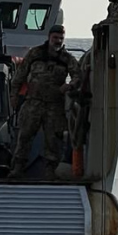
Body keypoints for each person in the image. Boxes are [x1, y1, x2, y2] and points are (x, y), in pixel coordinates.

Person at [9, 24, 82, 179]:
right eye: (55, 38)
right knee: (25, 135)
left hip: (54, 105)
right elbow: (19, 76)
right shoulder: (34, 54)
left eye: (61, 38)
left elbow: (77, 75)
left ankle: (50, 171)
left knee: (53, 139)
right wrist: (14, 95)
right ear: (49, 38)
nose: (58, 41)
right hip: (33, 102)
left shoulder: (67, 58)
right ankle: (18, 168)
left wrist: (69, 85)